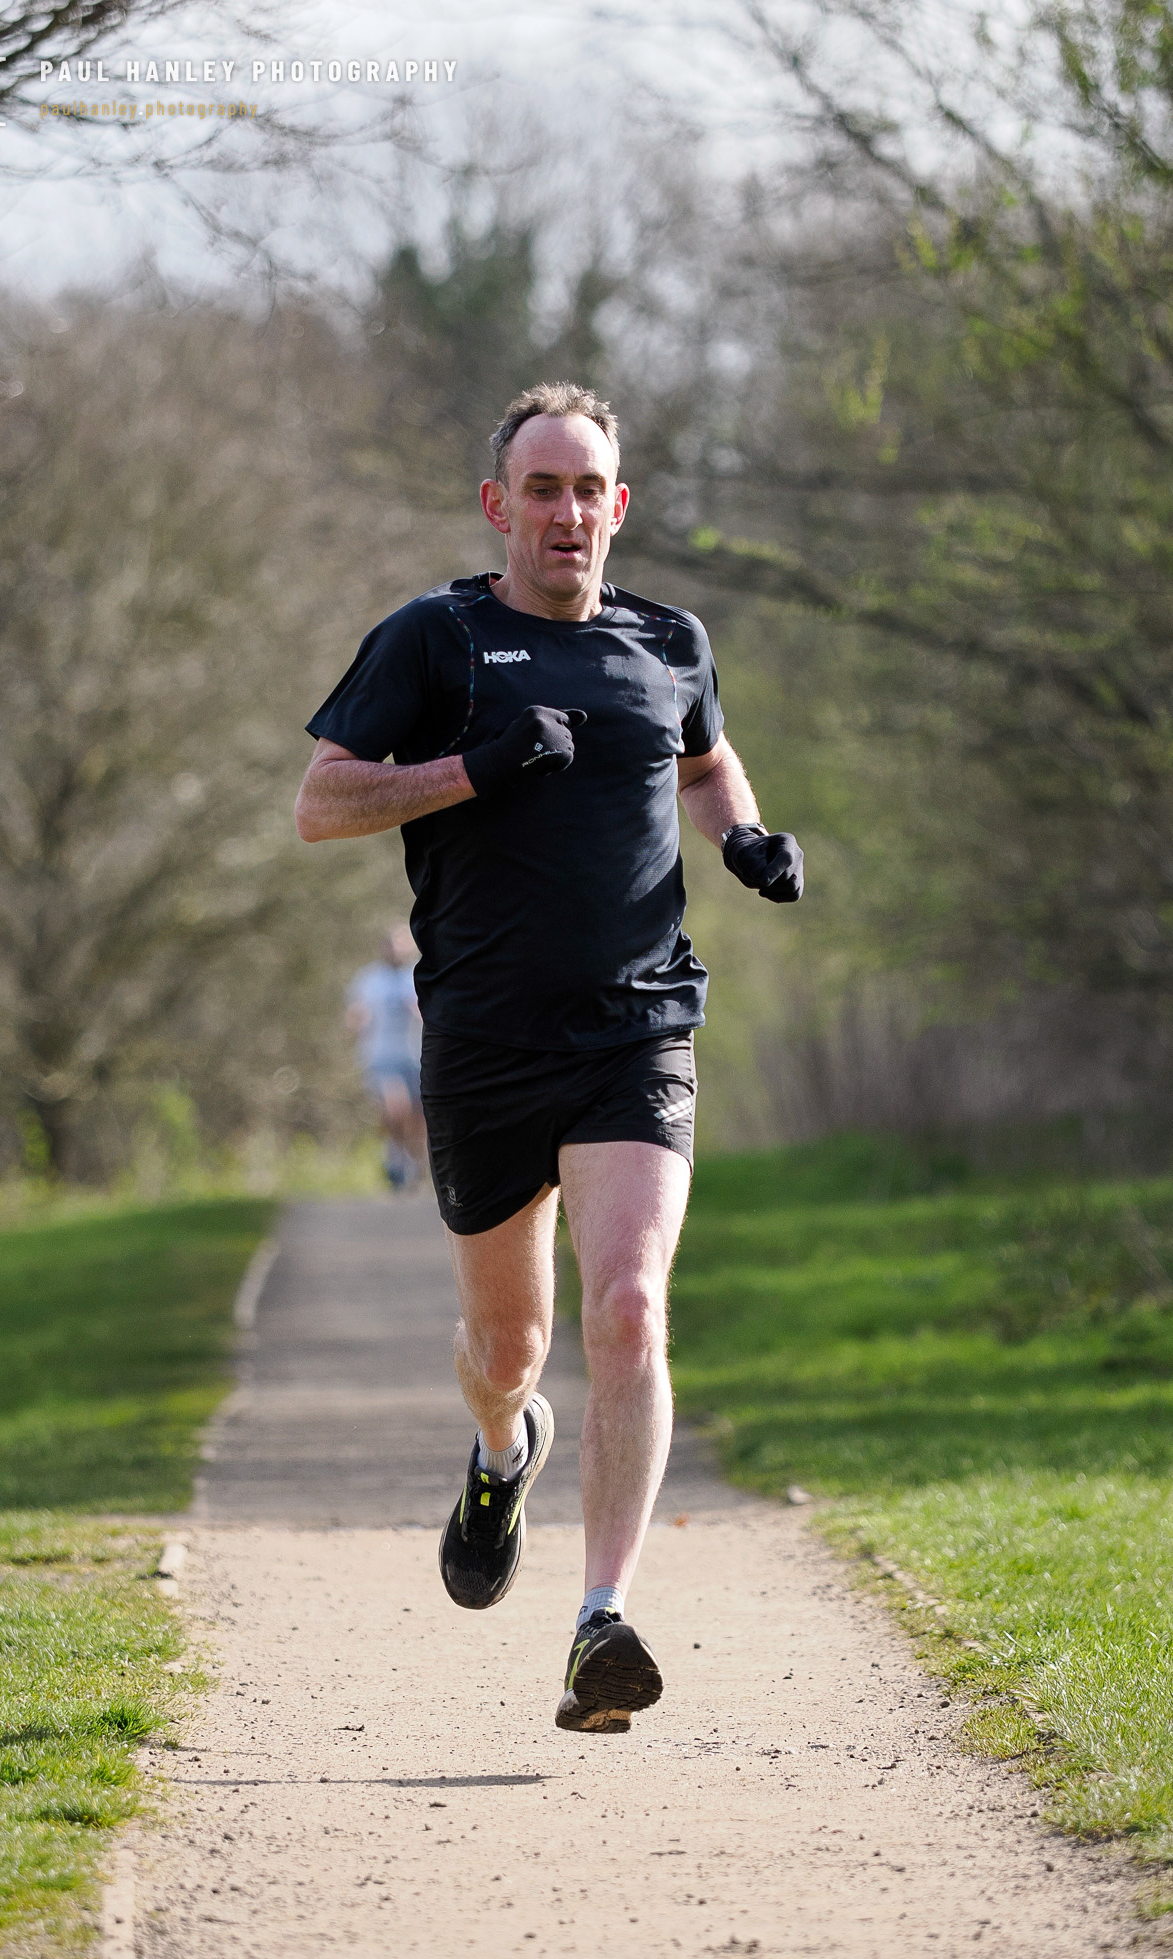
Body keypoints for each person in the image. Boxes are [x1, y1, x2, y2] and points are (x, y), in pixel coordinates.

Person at [294, 382, 803, 1734]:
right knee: (507, 1347)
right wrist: (472, 769)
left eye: (591, 490)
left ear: (617, 507)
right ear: (498, 505)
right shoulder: (436, 640)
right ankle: (503, 1450)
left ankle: (601, 1621)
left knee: (630, 1305)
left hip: (640, 1023)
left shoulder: (668, 640)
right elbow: (322, 801)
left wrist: (742, 834)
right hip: (484, 1042)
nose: (567, 513)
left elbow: (701, 753)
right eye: (544, 489)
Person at [345, 924, 426, 1191]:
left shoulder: (420, 975)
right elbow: (354, 1014)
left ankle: (412, 1161)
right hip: (381, 1055)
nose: (395, 949)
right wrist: (358, 1021)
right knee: (395, 1107)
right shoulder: (369, 979)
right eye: (391, 944)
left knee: (418, 1116)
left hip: (417, 1054)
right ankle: (395, 1155)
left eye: (401, 943)